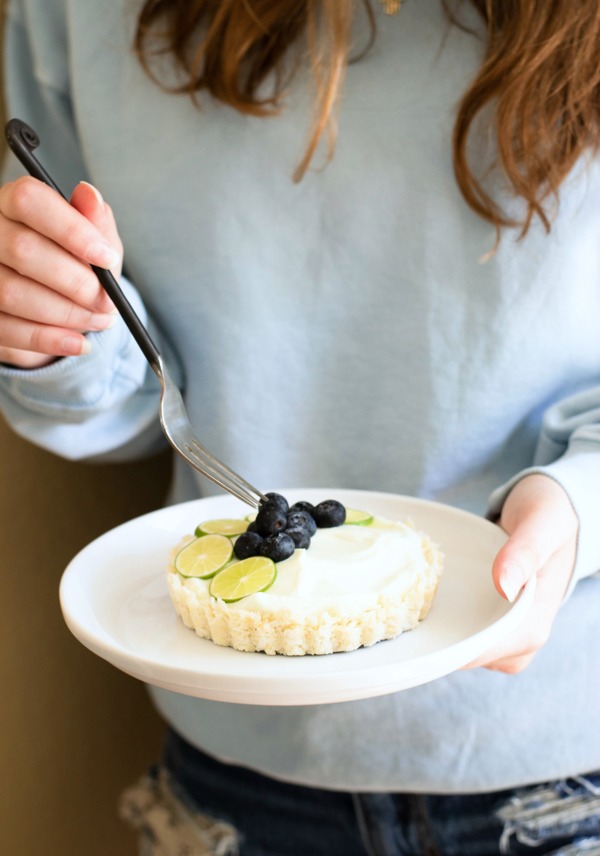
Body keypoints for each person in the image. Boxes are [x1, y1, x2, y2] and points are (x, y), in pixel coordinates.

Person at [0, 0, 599, 852]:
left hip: (571, 768)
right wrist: (53, 334)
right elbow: (121, 403)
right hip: (237, 775)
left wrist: (581, 504)